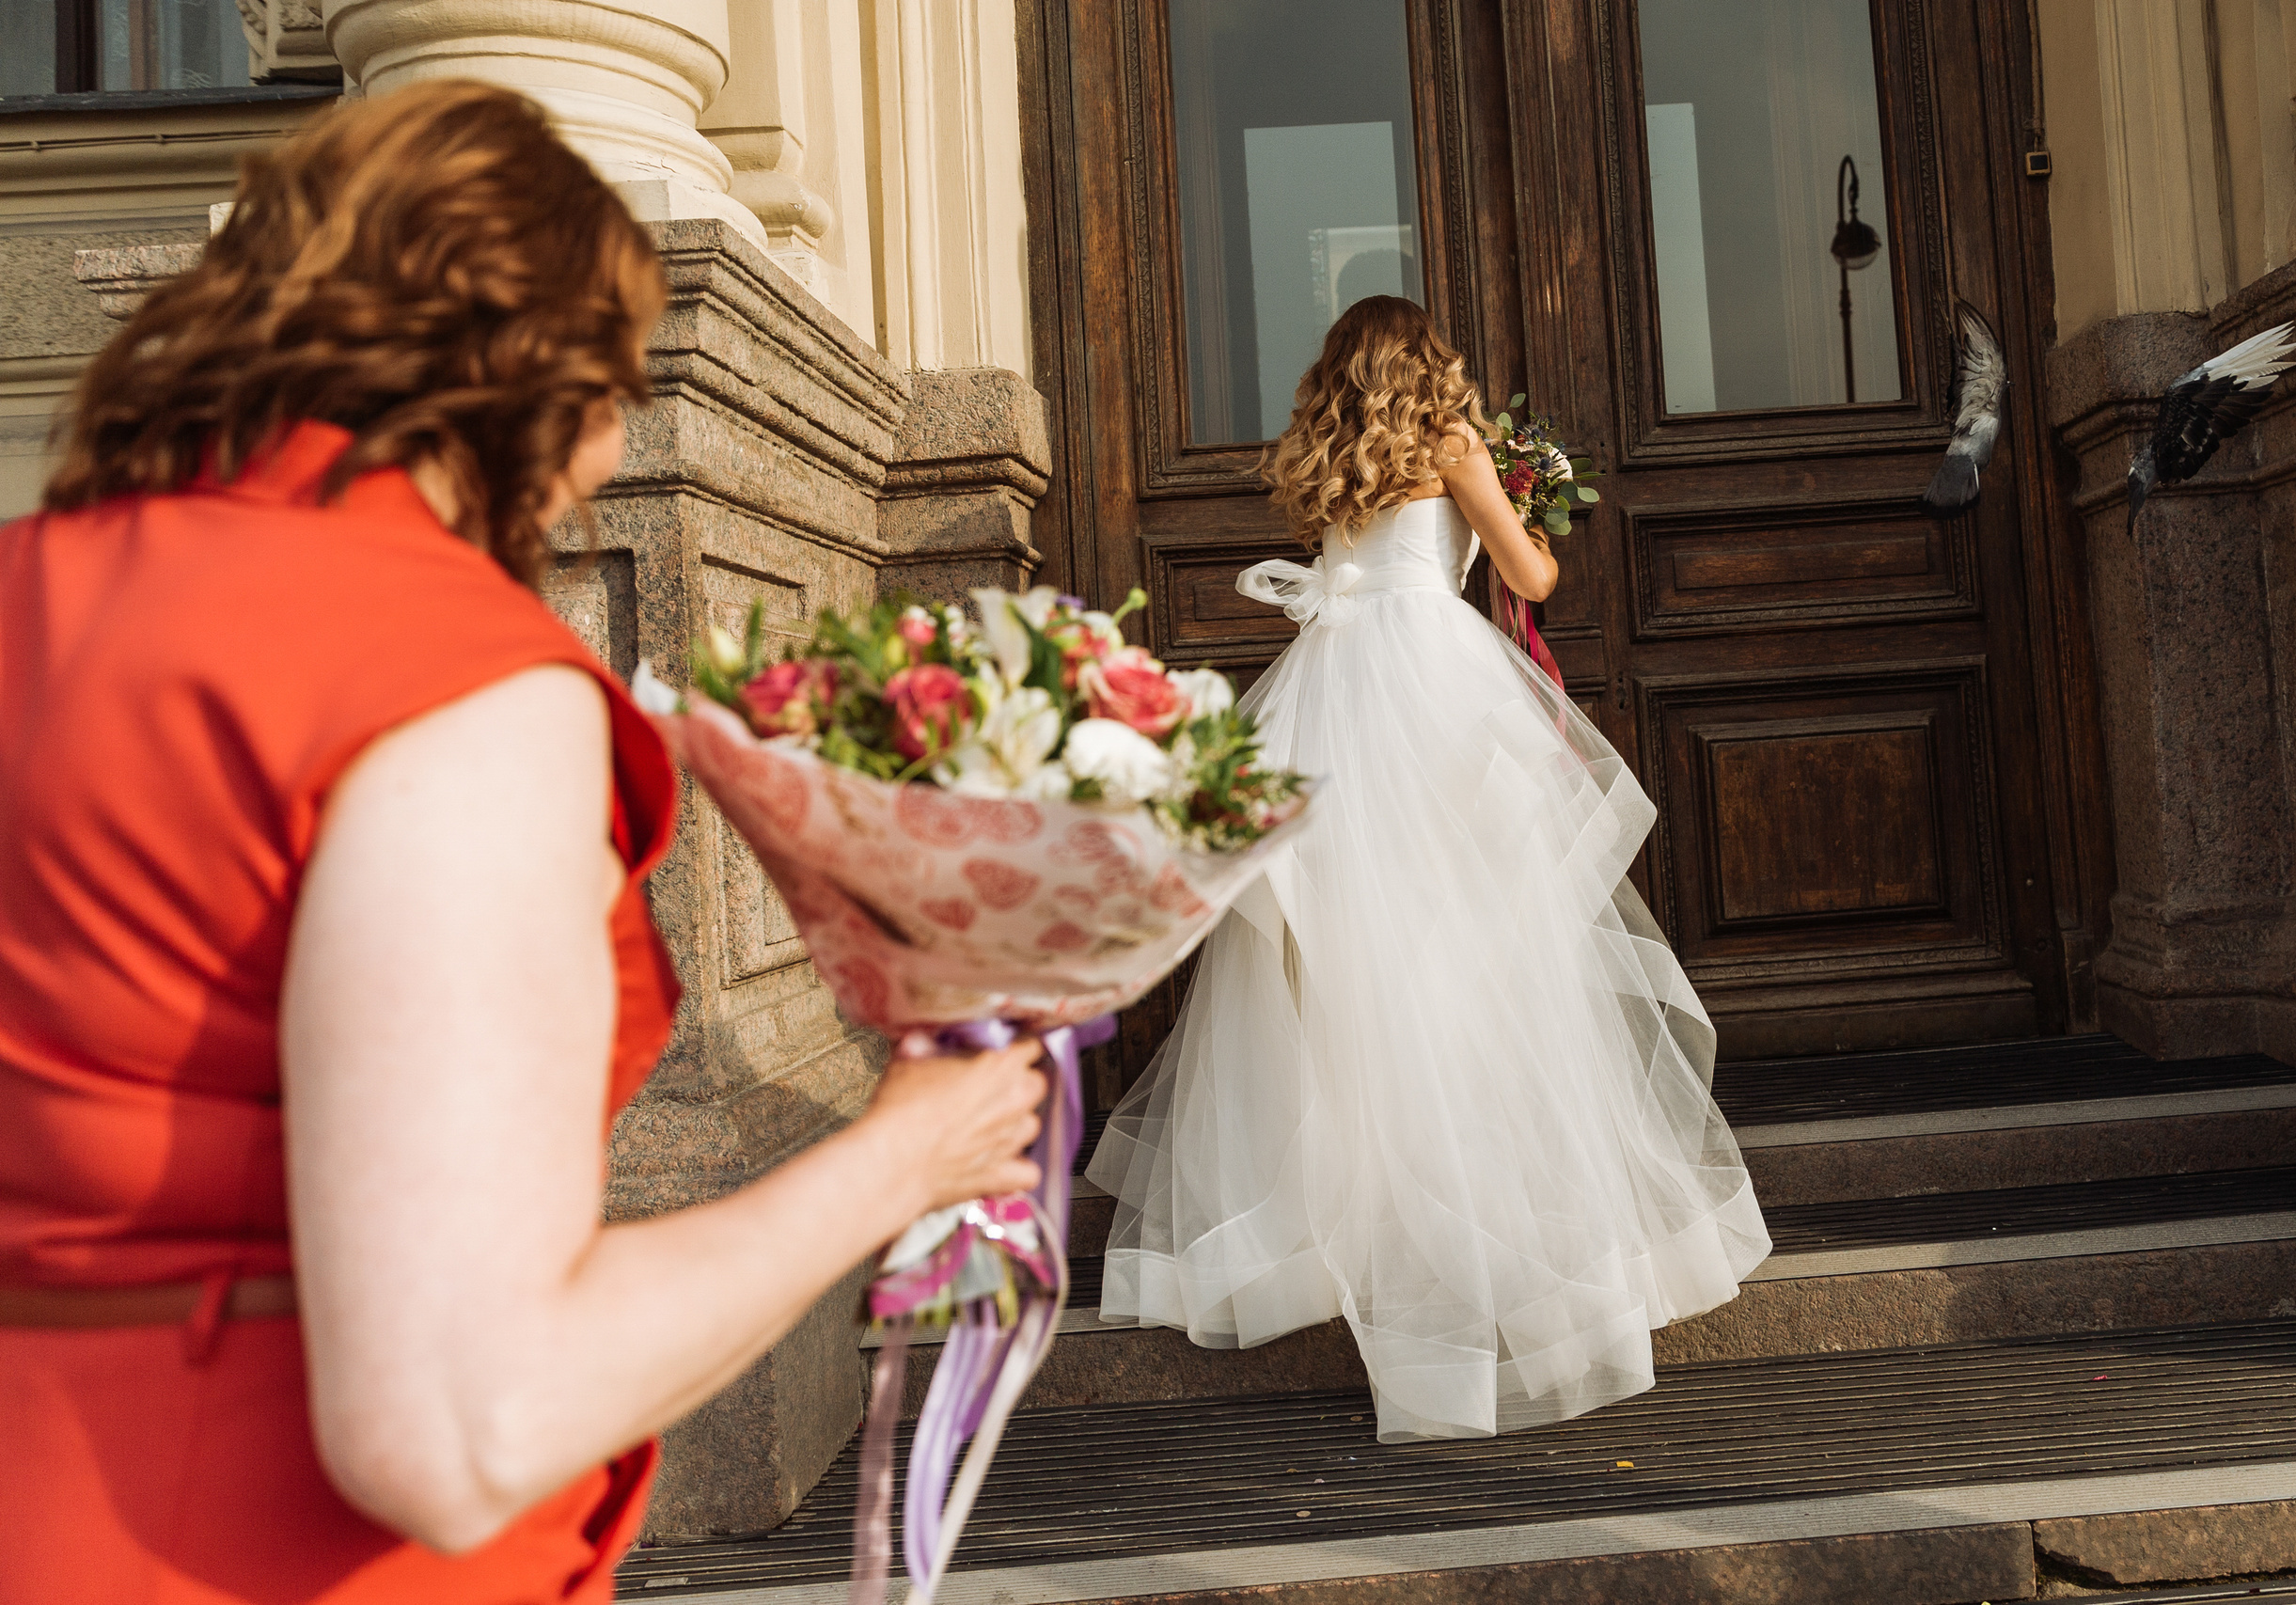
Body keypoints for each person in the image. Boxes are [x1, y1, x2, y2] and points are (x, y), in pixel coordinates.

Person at [0, 82, 1049, 1603]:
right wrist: (902, 1155)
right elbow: (454, 1423)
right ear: (526, 370)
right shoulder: (438, 679)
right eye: (612, 385)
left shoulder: (32, 590)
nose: (608, 450)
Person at [1087, 296, 1772, 1442]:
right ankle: (1484, 1229)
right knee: (1473, 949)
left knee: (1350, 960)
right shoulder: (1451, 443)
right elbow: (1529, 578)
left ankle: (1349, 1207)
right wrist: (1527, 519)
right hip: (1434, 693)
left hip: (1331, 693)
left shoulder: (1327, 460)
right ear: (1427, 367)